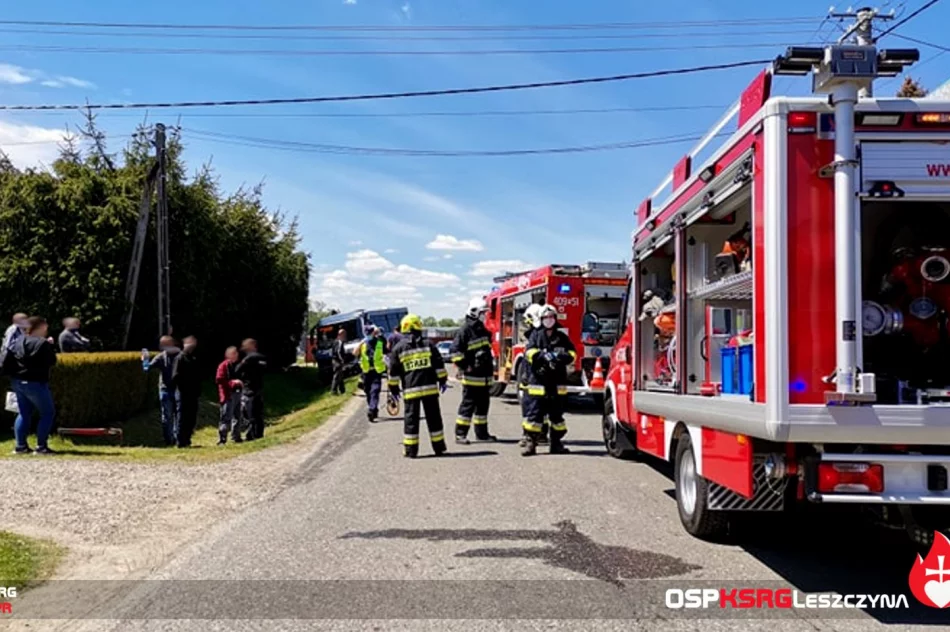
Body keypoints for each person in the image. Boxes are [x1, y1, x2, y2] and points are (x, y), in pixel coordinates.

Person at [387, 314, 449, 458]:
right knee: (434, 419)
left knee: (411, 421)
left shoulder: (398, 348)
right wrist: (443, 380)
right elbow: (439, 365)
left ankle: (411, 451)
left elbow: (393, 373)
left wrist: (394, 391)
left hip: (411, 391)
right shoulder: (429, 345)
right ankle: (439, 448)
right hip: (430, 390)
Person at [521, 304, 576, 457]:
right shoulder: (536, 335)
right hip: (538, 382)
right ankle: (531, 444)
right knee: (535, 416)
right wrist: (542, 357)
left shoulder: (562, 337)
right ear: (541, 319)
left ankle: (556, 444)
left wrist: (560, 357)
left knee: (557, 417)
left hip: (557, 383)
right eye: (546, 317)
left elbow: (572, 353)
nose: (549, 320)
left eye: (551, 317)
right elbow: (529, 352)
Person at [451, 297, 497, 444]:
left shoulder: (483, 330)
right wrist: (467, 366)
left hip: (484, 378)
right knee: (467, 407)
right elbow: (455, 352)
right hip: (472, 378)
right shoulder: (465, 331)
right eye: (483, 312)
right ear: (474, 312)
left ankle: (482, 434)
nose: (485, 315)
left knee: (483, 409)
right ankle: (460, 434)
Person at [9, 317, 58, 455]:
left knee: (23, 413)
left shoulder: (19, 340)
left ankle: (20, 446)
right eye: (45, 327)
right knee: (48, 413)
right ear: (40, 327)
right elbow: (52, 361)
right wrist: (50, 346)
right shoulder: (42, 343)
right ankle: (41, 447)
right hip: (35, 383)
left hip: (18, 381)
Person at [518, 303, 549, 447]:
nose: (526, 323)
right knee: (539, 409)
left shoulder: (537, 335)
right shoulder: (539, 334)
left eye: (528, 320)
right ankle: (539, 435)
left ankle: (531, 437)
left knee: (531, 408)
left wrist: (525, 374)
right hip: (534, 377)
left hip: (535, 378)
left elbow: (532, 357)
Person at [147, 335, 182, 446]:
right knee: (167, 417)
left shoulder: (181, 356)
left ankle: (178, 439)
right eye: (163, 344)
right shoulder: (161, 357)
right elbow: (147, 368)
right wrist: (145, 359)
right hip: (165, 390)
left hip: (179, 390)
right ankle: (169, 440)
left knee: (179, 416)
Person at [171, 336, 201, 448]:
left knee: (191, 417)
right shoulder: (180, 358)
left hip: (193, 393)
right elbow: (175, 376)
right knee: (182, 417)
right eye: (190, 344)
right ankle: (180, 441)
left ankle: (187, 438)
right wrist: (184, 385)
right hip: (183, 393)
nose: (192, 346)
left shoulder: (193, 359)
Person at [236, 338, 267, 441]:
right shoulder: (262, 357)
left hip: (249, 389)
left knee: (250, 414)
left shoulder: (248, 359)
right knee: (259, 414)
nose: (243, 348)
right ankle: (259, 433)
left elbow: (237, 370)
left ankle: (251, 435)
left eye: (245, 345)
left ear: (251, 346)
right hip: (259, 388)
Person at [216, 346, 244, 445]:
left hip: (238, 394)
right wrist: (234, 382)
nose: (236, 355)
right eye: (234, 353)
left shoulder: (238, 365)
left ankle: (236, 436)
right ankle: (222, 439)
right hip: (227, 395)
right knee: (226, 417)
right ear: (228, 355)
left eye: (236, 353)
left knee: (237, 416)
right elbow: (220, 380)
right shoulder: (223, 366)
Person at [359, 326, 386, 423]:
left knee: (375, 390)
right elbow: (355, 353)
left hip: (376, 371)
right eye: (367, 333)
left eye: (369, 333)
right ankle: (374, 409)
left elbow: (386, 353)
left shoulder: (379, 342)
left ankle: (371, 409)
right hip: (366, 372)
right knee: (367, 391)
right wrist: (361, 343)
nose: (368, 335)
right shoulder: (363, 344)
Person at [330, 329, 347, 395]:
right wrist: (342, 360)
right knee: (337, 376)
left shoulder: (336, 341)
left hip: (335, 360)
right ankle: (333, 391)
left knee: (340, 376)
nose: (345, 335)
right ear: (340, 334)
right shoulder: (339, 342)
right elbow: (338, 352)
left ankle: (342, 390)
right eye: (344, 334)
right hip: (337, 361)